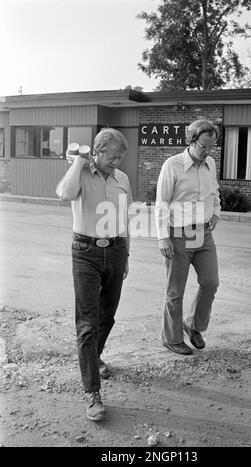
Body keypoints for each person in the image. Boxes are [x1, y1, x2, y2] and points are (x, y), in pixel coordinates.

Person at [56, 128, 132, 421]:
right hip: (85, 251)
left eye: (120, 158)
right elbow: (64, 194)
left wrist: (127, 255)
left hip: (115, 249)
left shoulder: (122, 179)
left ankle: (92, 358)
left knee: (107, 317)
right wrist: (77, 161)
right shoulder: (81, 172)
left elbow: (125, 218)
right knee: (87, 323)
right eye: (113, 157)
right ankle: (92, 393)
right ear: (98, 151)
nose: (117, 162)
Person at [155, 119, 220, 356]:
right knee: (175, 291)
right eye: (203, 146)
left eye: (211, 146)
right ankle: (171, 338)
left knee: (210, 282)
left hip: (203, 233)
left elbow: (214, 192)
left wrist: (215, 213)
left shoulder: (210, 163)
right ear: (191, 141)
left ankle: (193, 325)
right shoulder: (172, 166)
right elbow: (161, 203)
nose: (207, 151)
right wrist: (163, 237)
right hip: (178, 234)